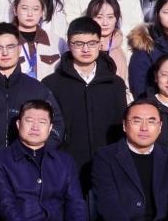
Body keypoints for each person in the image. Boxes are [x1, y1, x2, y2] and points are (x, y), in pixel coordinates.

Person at [41, 17, 129, 175]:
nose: (86, 49)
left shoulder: (115, 84)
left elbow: (120, 126)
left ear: (100, 44)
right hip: (65, 166)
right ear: (69, 44)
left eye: (92, 43)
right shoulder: (51, 84)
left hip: (108, 166)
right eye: (78, 44)